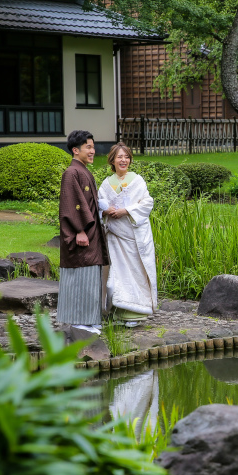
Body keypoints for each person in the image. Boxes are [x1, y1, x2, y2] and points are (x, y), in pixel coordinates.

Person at [98, 142, 157, 326]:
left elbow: (147, 203)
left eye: (126, 157)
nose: (123, 160)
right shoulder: (106, 184)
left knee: (134, 272)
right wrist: (106, 211)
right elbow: (98, 205)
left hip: (133, 237)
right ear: (112, 160)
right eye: (119, 157)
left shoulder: (137, 181)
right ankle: (117, 311)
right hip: (115, 236)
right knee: (117, 275)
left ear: (130, 160)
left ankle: (136, 312)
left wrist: (127, 211)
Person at [56, 130, 109, 334]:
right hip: (81, 232)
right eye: (88, 147)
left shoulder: (82, 170)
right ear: (75, 150)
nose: (93, 151)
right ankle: (79, 321)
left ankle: (89, 318)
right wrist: (79, 230)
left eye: (93, 147)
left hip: (90, 231)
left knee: (90, 272)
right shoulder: (72, 172)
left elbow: (86, 202)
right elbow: (72, 204)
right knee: (80, 273)